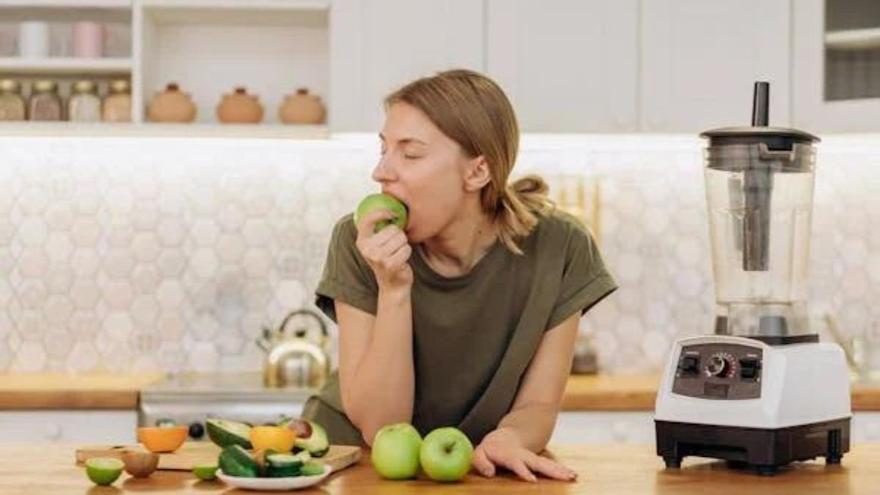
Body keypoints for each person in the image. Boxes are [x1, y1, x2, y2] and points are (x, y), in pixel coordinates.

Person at [302, 69, 617, 482]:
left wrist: (511, 439)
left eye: (409, 154)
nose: (381, 172)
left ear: (477, 172)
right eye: (383, 150)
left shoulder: (560, 247)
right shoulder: (358, 240)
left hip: (474, 469)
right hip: (353, 461)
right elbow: (381, 426)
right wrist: (393, 289)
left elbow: (538, 405)